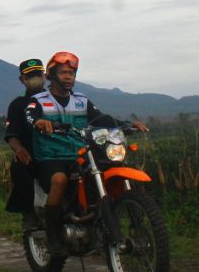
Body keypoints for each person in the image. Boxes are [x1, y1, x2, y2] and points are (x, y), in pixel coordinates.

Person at [25, 51, 148, 256]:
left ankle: (95, 219)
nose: (68, 76)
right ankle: (54, 238)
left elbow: (101, 119)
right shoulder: (38, 100)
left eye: (72, 73)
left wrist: (126, 124)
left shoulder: (82, 101)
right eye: (64, 72)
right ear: (52, 76)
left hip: (81, 154)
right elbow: (30, 116)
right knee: (59, 180)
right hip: (51, 157)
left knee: (103, 172)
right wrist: (40, 122)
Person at [4, 58, 46, 231]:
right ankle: (29, 212)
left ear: (45, 76)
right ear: (22, 80)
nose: (35, 78)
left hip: (59, 151)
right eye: (30, 76)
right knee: (19, 165)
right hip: (33, 153)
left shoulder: (55, 100)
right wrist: (19, 149)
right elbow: (11, 134)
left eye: (38, 74)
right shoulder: (17, 105)